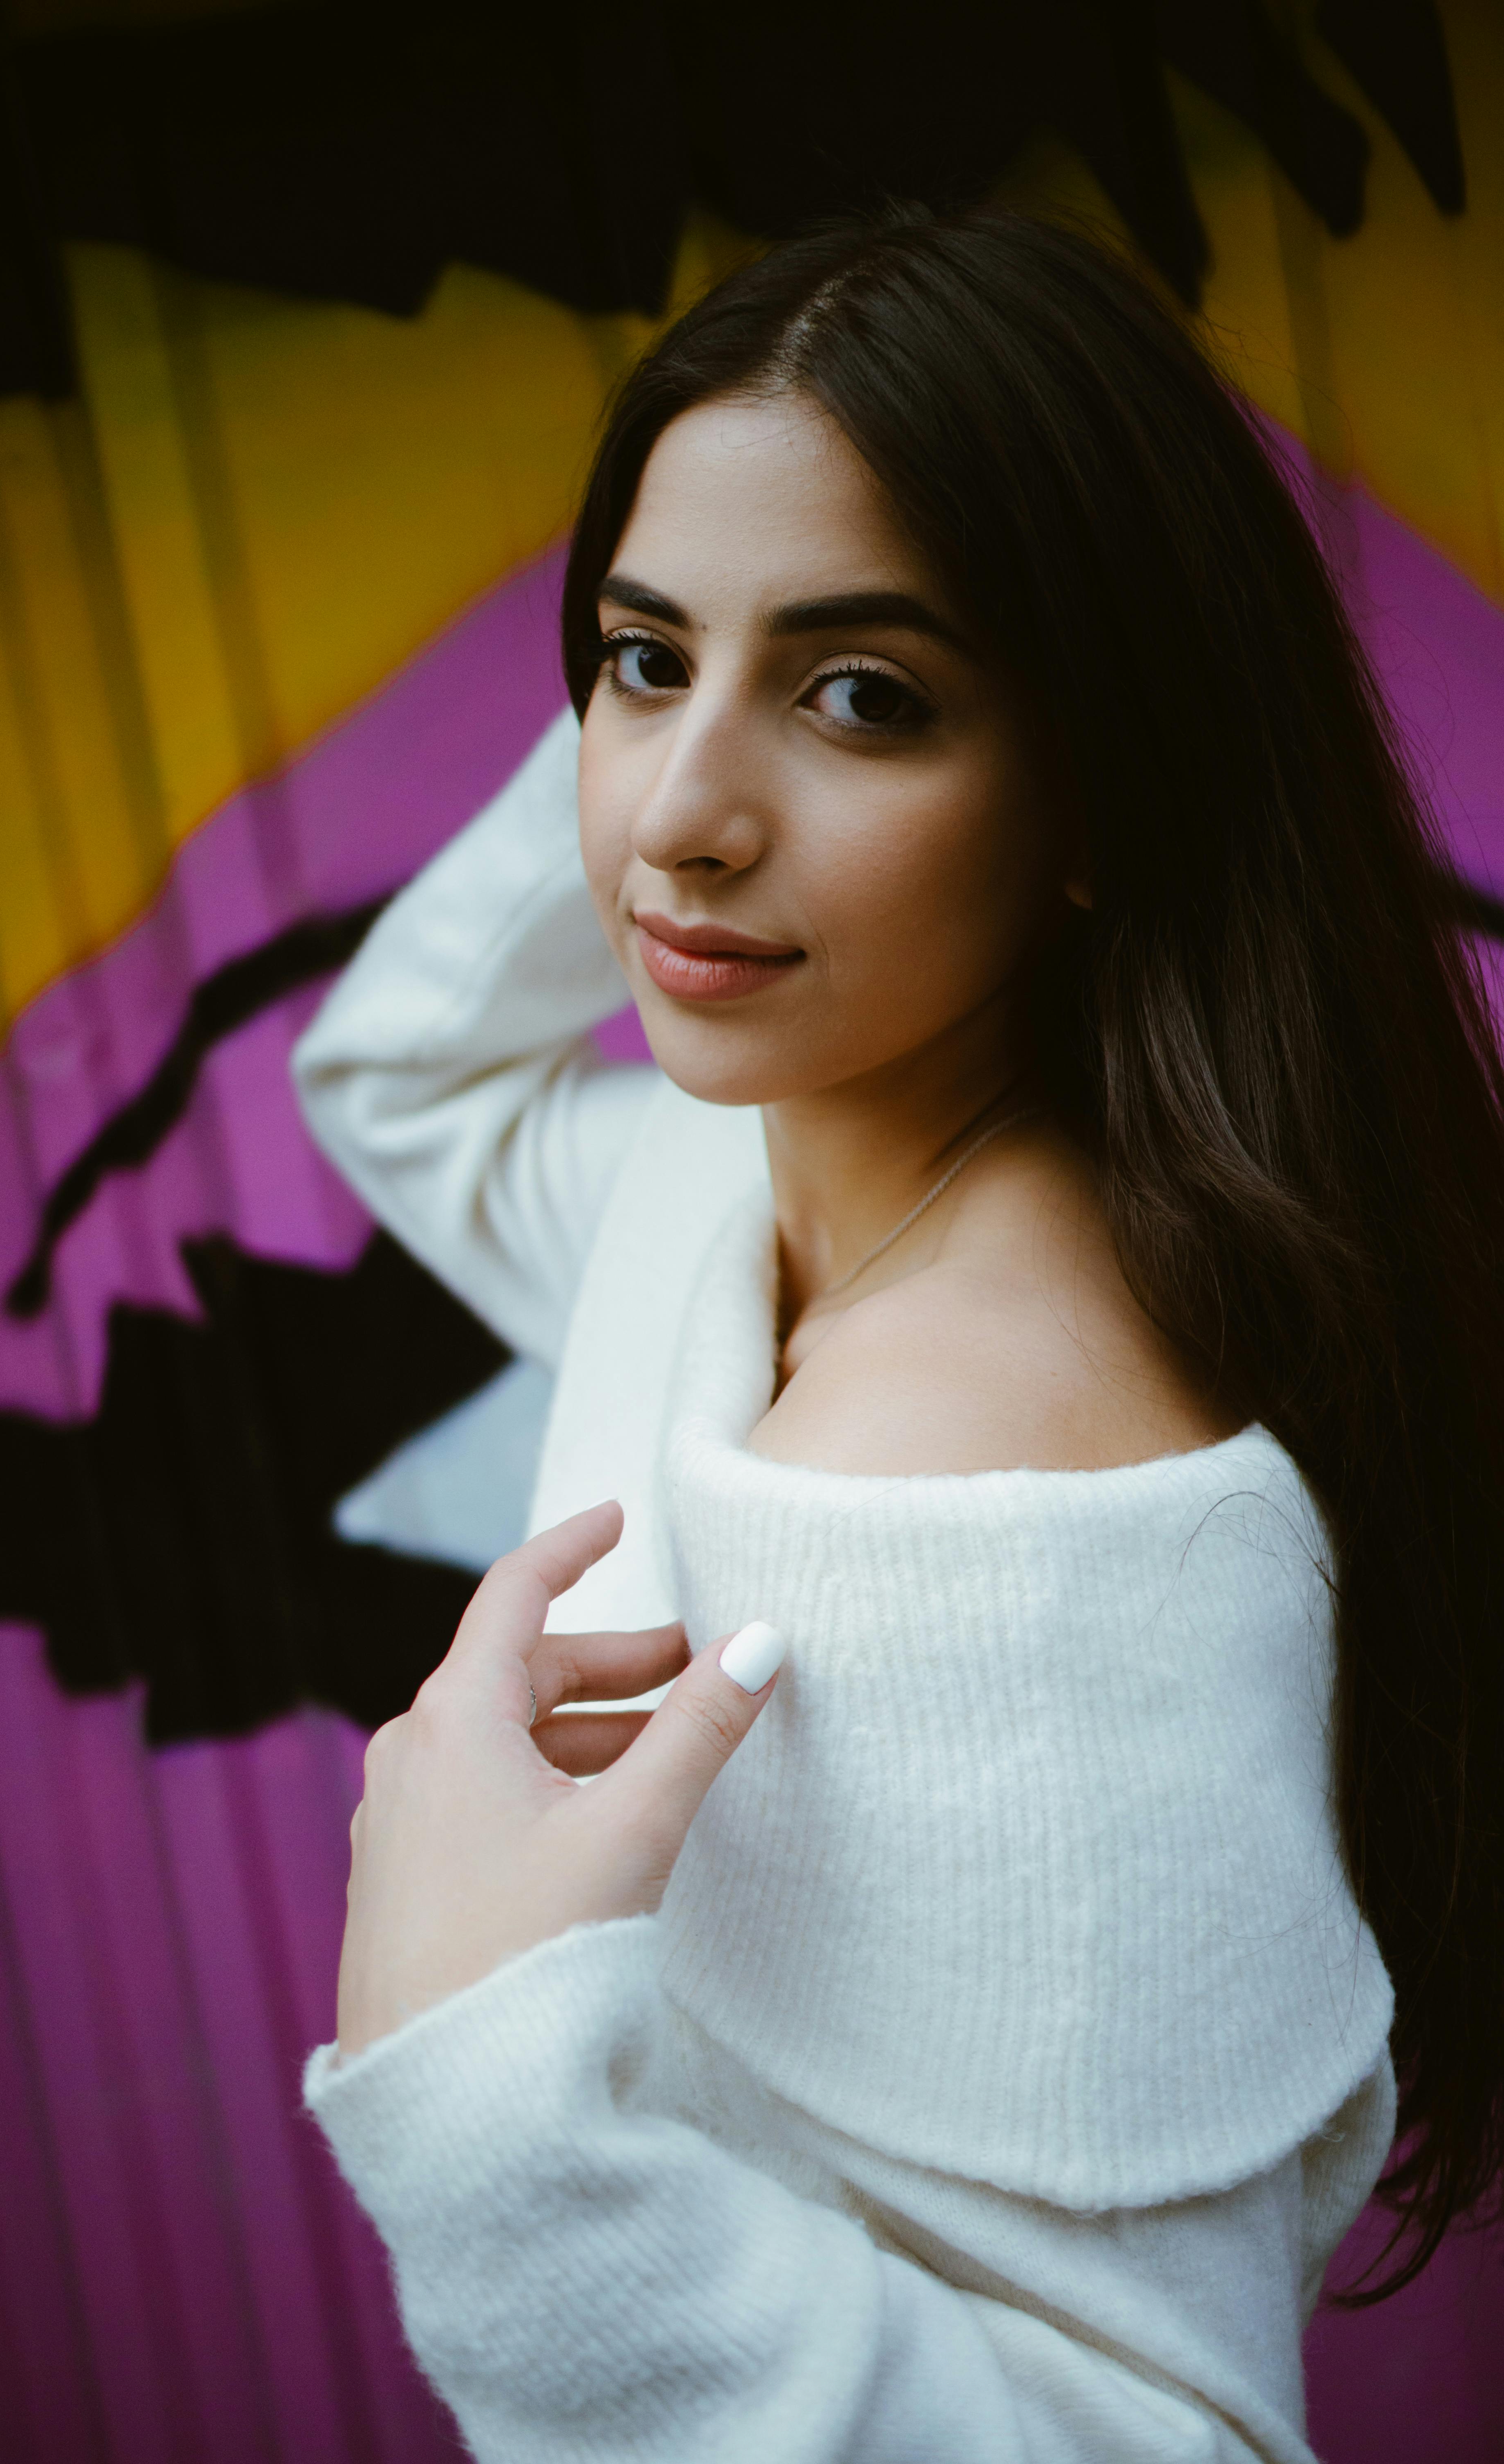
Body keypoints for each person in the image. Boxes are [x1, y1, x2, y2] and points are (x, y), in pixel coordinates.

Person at [292, 209, 1504, 2462]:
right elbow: (399, 1082)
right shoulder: (721, 1174)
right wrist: (702, 697)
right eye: (640, 664)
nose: (679, 818)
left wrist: (488, 2111)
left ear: (1102, 792)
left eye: (870, 694)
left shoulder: (993, 1506)